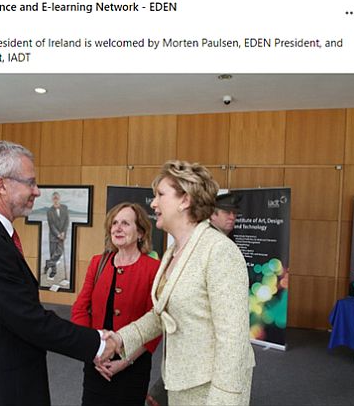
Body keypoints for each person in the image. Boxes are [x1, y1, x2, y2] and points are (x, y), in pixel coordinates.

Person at [0, 140, 116, 406]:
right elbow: (27, 318)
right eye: (30, 183)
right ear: (1, 184)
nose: (37, 191)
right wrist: (97, 344)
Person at [107, 160, 255, 406]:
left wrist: (224, 400)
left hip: (211, 388)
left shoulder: (219, 251)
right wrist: (120, 338)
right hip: (180, 381)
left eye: (160, 195)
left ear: (185, 200)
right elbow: (162, 313)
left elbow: (233, 340)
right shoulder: (175, 249)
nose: (153, 203)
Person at [71, 202, 161, 406]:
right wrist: (92, 351)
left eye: (125, 223)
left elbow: (156, 322)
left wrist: (125, 361)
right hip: (96, 360)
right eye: (114, 223)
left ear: (140, 232)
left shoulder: (153, 269)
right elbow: (80, 309)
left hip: (133, 364)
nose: (117, 228)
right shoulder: (98, 262)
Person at [45, 191, 69, 278]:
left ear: (59, 199)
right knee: (53, 253)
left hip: (62, 235)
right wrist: (58, 234)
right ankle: (53, 271)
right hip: (53, 236)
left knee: (59, 252)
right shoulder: (49, 211)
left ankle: (48, 264)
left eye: (57, 198)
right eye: (54, 198)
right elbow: (51, 224)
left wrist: (63, 232)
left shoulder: (65, 208)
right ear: (52, 199)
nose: (56, 200)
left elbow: (66, 222)